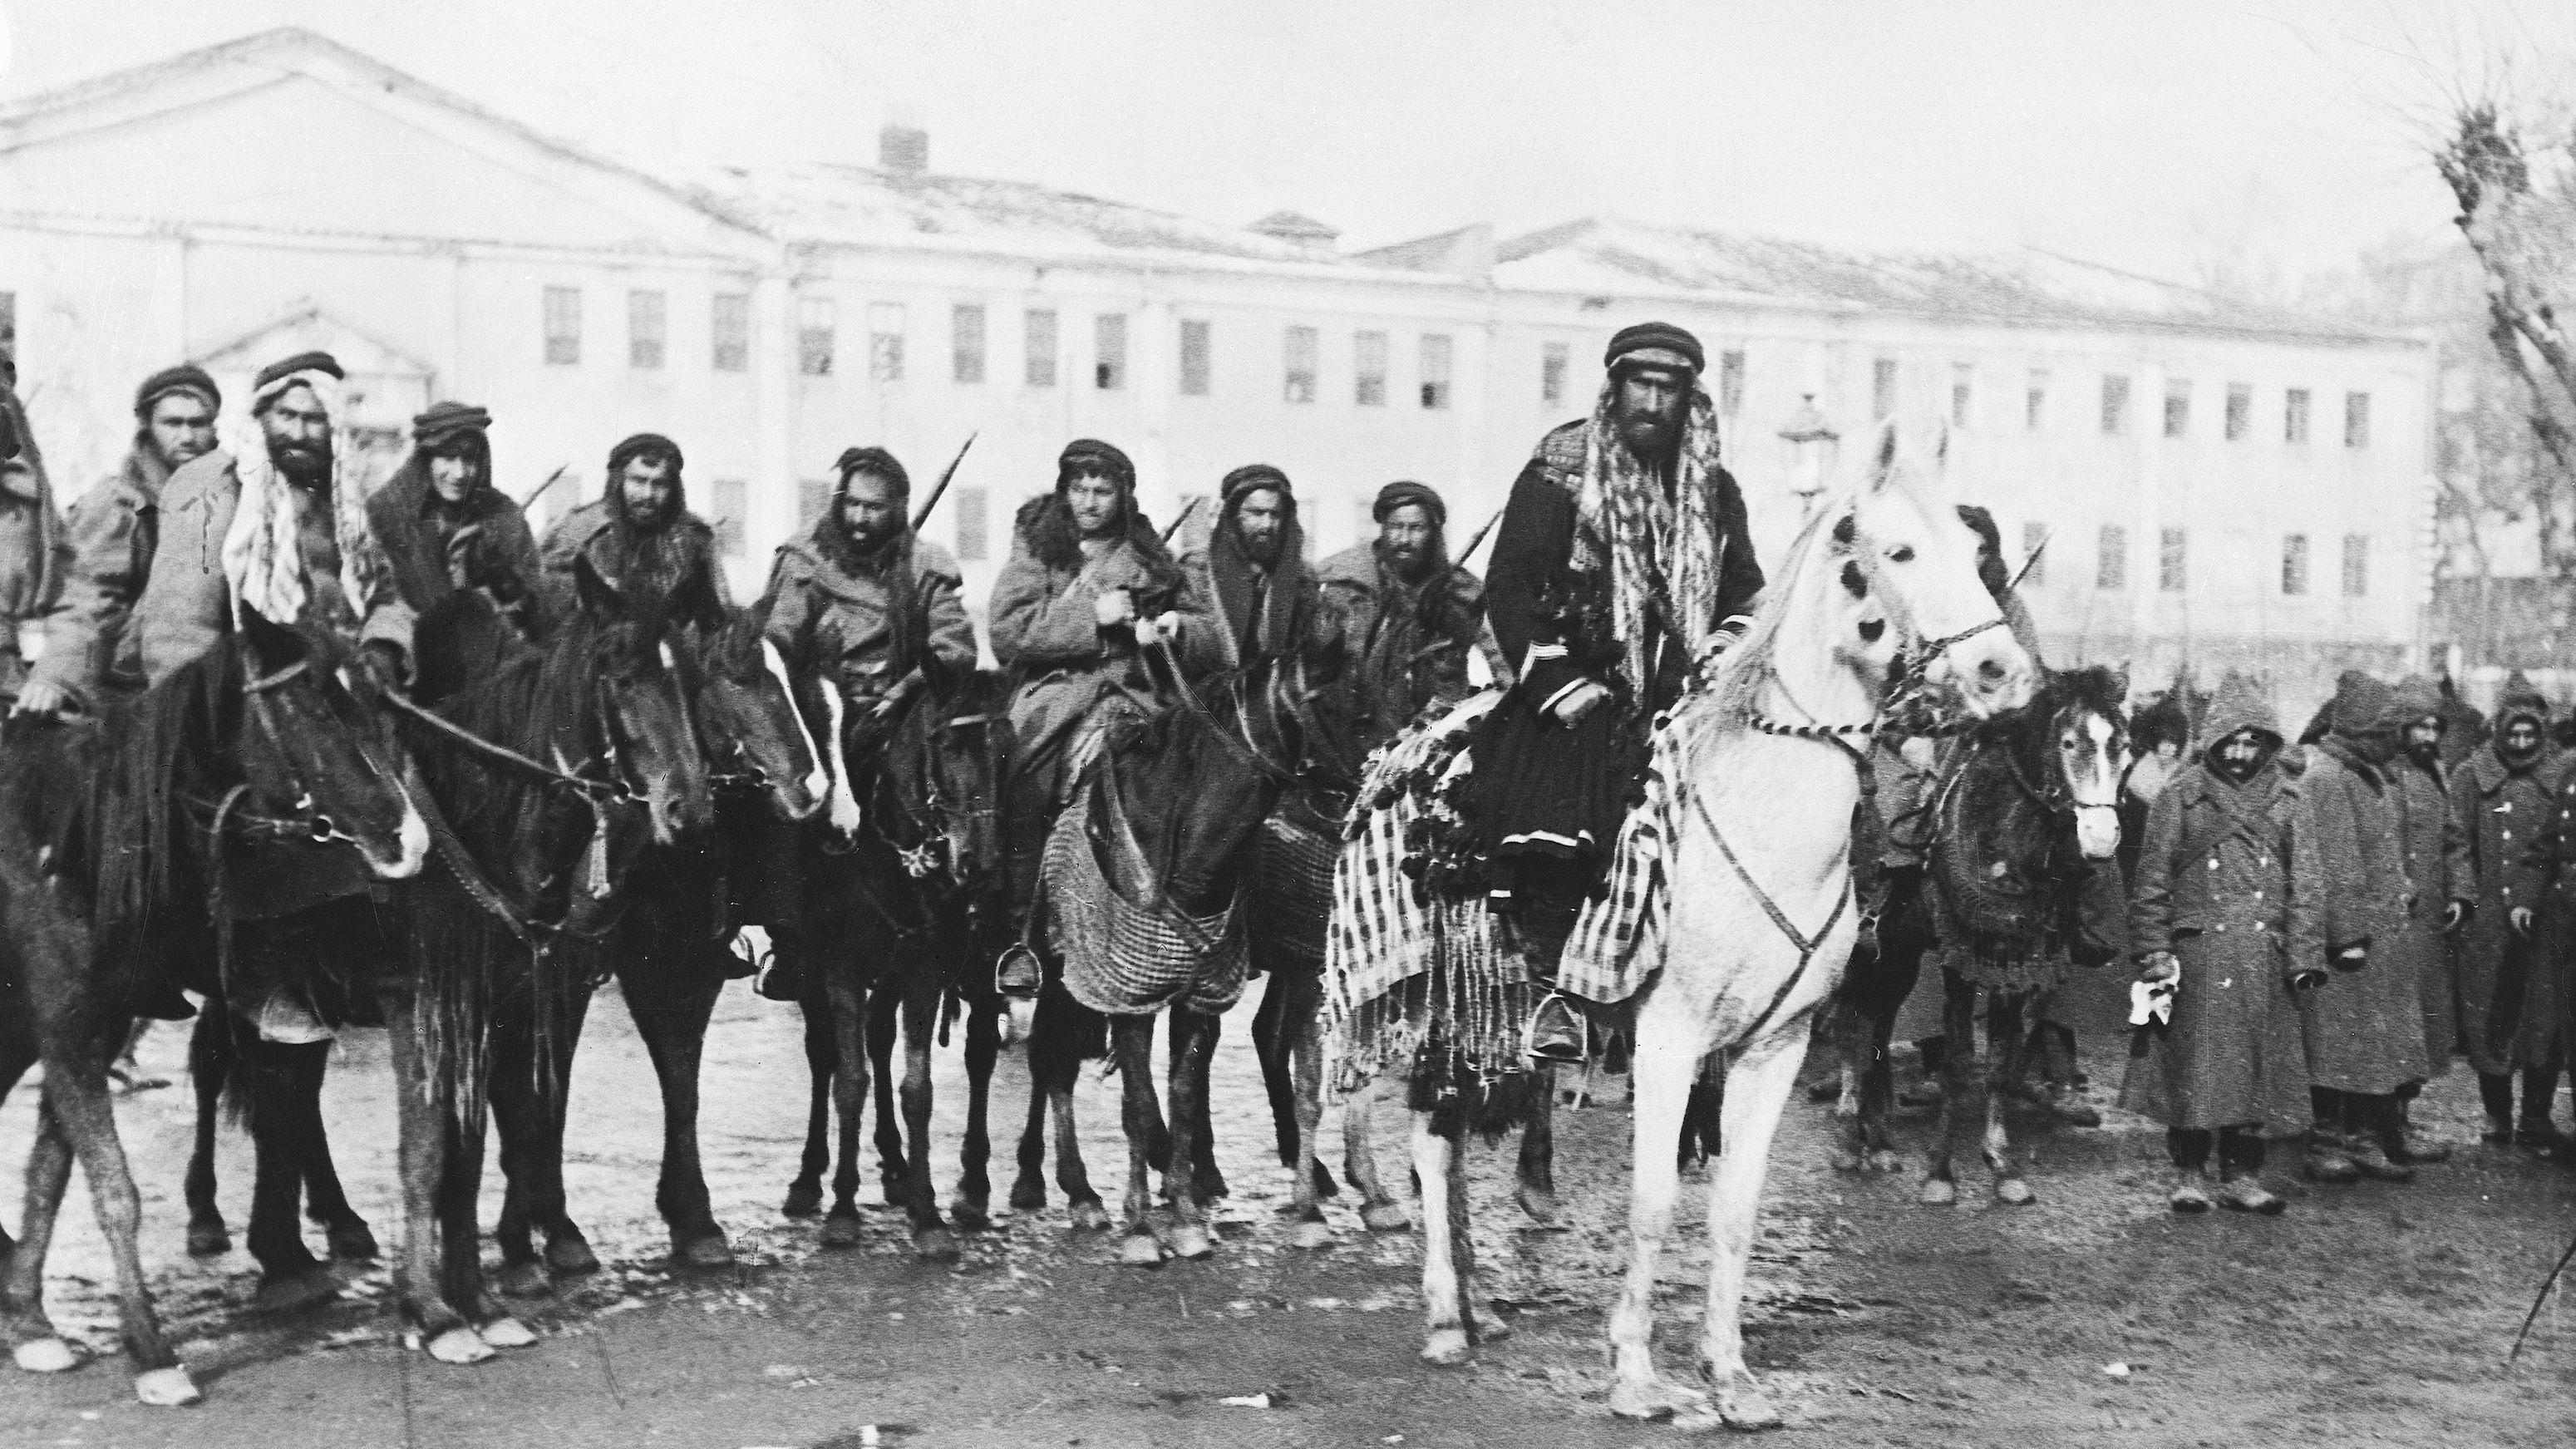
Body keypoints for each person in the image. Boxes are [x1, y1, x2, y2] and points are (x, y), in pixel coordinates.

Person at [1475, 323, 1766, 1061]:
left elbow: (1744, 592)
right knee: (1559, 792)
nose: (1654, 402)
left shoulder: (1712, 486)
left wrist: (1720, 652)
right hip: (1582, 685)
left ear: (1689, 399)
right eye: (1642, 384)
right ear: (1614, 388)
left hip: (1686, 692)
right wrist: (1558, 682)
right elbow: (1510, 586)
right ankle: (1553, 990)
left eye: (1669, 389)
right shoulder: (1556, 476)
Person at [755, 446, 978, 1000]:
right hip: (819, 706)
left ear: (898, 508)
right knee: (782, 790)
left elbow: (954, 647)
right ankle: (788, 938)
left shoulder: (926, 565)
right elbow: (778, 638)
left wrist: (905, 688)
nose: (859, 517)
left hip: (897, 709)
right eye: (851, 504)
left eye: (874, 508)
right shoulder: (804, 558)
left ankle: (968, 930)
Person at [989, 438, 1221, 934]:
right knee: (1025, 781)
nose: (1090, 502)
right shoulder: (1039, 548)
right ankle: (1019, 921)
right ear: (1064, 491)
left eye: (1103, 491)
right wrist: (1092, 615)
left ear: (1124, 496)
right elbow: (1008, 632)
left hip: (1137, 692)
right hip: (1055, 692)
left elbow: (1209, 632)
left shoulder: (1148, 555)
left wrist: (1175, 628)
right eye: (1080, 489)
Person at [2125, 672, 2308, 1214]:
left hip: (2264, 954)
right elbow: (2151, 880)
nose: (2240, 753)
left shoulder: (2289, 799)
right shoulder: (2181, 795)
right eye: (2231, 741)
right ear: (2212, 741)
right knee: (2194, 1067)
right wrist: (2154, 951)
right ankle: (2189, 1172)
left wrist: (2303, 954)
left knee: (2256, 1071)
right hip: (2199, 952)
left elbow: (2308, 884)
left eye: (2252, 742)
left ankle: (2242, 1174)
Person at [2291, 672, 2433, 1184]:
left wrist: (2400, 888)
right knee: (2337, 1047)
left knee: (2371, 1044)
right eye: (2385, 732)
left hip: (2380, 935)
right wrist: (2348, 936)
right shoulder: (2328, 778)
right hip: (2351, 945)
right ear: (2361, 733)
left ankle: (2367, 1137)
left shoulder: (2364, 773)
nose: (2395, 742)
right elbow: (2337, 865)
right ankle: (2328, 1141)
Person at [16, 363, 216, 716]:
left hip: (212, 678)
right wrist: (58, 676)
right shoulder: (121, 503)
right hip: (129, 690)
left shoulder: (229, 497)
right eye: (172, 423)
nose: (187, 436)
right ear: (148, 426)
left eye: (198, 423)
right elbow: (86, 598)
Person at [365, 402, 551, 694]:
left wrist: (495, 584)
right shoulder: (388, 512)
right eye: (448, 457)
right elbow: (381, 593)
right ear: (426, 459)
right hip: (410, 647)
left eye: (469, 459)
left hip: (489, 649)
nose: (460, 472)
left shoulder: (502, 515)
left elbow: (531, 600)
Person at [2451, 673, 2564, 1149]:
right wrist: (2464, 892)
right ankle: (2497, 1113)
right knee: (2487, 1014)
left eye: (2529, 734)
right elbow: (2455, 842)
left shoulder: (2562, 774)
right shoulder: (2470, 775)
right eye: (2512, 734)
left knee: (2543, 1017)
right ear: (2498, 730)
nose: (2520, 744)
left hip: (2544, 917)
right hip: (2488, 919)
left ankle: (2536, 1117)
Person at [1317, 479, 1487, 747]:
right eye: (1396, 527)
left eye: (1417, 528)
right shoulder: (1343, 581)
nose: (1405, 540)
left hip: (1428, 732)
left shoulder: (1462, 593)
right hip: (1347, 729)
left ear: (1433, 532)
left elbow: (1498, 655)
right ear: (1383, 527)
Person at [2385, 674, 2474, 1163]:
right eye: (2419, 726)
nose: (2428, 735)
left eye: (2435, 727)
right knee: (2391, 1021)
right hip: (2392, 921)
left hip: (2429, 925)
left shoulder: (2435, 774)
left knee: (2424, 1021)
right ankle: (2378, 1125)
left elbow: (2454, 841)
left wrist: (2460, 890)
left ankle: (2402, 1117)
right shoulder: (2382, 774)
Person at [539, 432, 729, 628]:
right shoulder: (576, 534)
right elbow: (549, 621)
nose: (648, 494)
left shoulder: (695, 539)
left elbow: (718, 624)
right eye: (638, 481)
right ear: (619, 480)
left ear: (673, 488)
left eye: (660, 484)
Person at [1179, 463, 1336, 672]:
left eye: (1275, 514)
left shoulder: (1301, 576)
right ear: (1233, 514)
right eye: (1257, 513)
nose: (1267, 524)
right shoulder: (1197, 568)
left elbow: (1316, 647)